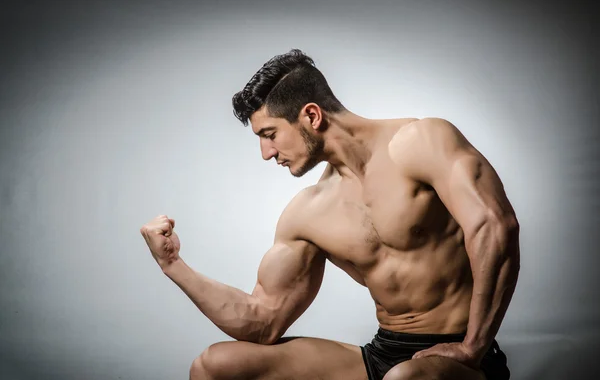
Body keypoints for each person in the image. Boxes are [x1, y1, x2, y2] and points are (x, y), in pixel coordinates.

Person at [139, 49, 520, 380]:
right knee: (214, 366)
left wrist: (473, 347)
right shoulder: (309, 211)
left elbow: (494, 226)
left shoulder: (420, 142)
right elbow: (262, 321)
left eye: (269, 133)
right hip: (383, 354)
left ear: (311, 115)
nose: (266, 153)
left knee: (406, 378)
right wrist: (173, 264)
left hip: (466, 358)